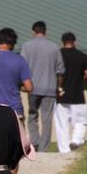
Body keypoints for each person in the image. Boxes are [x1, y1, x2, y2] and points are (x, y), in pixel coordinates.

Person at [21, 21, 64, 152]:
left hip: (33, 87)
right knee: (47, 118)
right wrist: (60, 88)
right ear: (46, 31)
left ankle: (35, 142)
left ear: (33, 32)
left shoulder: (27, 46)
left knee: (32, 115)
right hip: (50, 88)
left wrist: (22, 84)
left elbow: (22, 66)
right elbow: (60, 70)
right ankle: (44, 148)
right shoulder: (54, 47)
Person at [54, 32, 87, 153]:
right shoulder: (81, 56)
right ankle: (76, 140)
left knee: (62, 125)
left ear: (62, 42)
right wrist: (83, 77)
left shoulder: (57, 55)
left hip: (61, 96)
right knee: (81, 121)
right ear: (74, 42)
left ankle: (64, 151)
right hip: (78, 96)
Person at [0, 28, 33, 121]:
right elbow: (29, 87)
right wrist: (17, 86)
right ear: (13, 43)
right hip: (14, 110)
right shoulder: (19, 60)